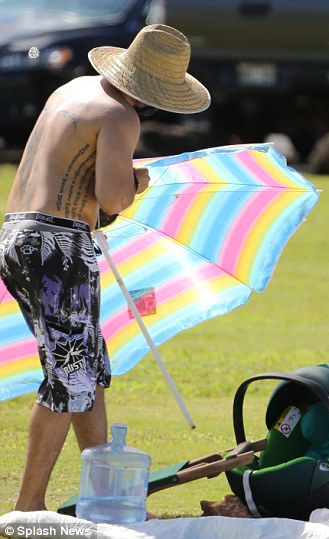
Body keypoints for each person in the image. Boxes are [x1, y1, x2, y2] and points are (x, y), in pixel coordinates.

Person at [0, 24, 210, 512]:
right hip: (58, 246)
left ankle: (107, 496)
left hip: (16, 234)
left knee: (86, 367)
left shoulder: (71, 90)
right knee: (70, 374)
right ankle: (27, 508)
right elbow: (113, 197)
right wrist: (136, 180)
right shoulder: (120, 116)